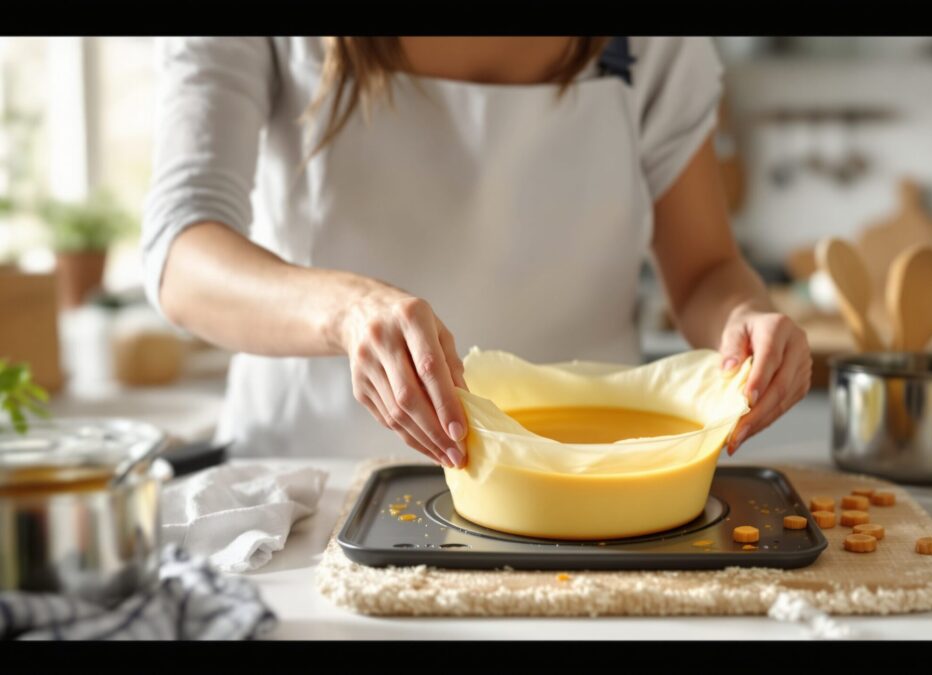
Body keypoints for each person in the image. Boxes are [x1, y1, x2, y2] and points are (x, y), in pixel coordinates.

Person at [141, 37, 812, 468]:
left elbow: (703, 273)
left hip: (592, 493)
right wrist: (347, 311)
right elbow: (182, 249)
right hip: (313, 487)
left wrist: (745, 322)